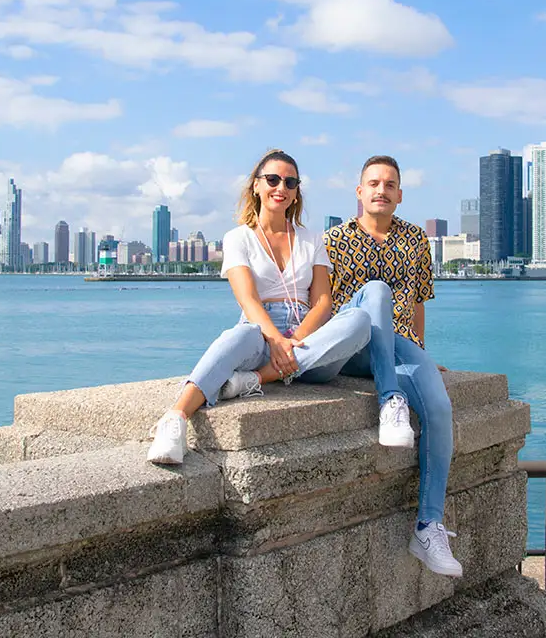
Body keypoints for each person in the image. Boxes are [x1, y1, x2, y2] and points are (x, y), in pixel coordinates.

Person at [148, 149, 371, 465]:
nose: (281, 188)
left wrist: (294, 340)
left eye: (290, 182)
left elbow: (323, 302)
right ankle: (176, 418)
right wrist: (276, 340)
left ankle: (258, 379)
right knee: (234, 338)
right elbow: (248, 300)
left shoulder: (311, 239)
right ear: (256, 185)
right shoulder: (238, 238)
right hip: (261, 330)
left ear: (296, 193)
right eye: (273, 179)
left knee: (359, 319)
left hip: (308, 340)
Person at [324, 155, 461, 578]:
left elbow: (417, 303)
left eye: (389, 184)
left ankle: (428, 524)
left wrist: (421, 351)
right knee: (376, 293)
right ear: (359, 191)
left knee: (438, 408)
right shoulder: (333, 241)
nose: (381, 190)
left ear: (399, 195)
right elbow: (323, 305)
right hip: (357, 347)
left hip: (402, 344)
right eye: (373, 183)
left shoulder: (416, 240)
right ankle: (390, 398)